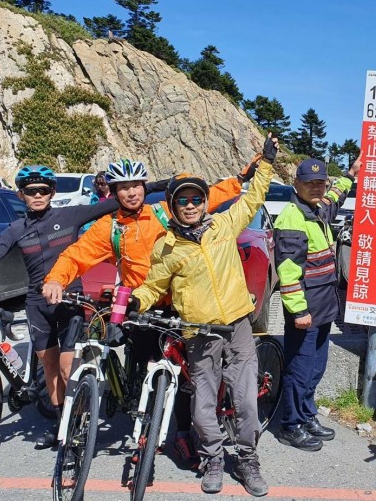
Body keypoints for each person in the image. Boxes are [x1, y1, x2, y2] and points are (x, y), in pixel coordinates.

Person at [43, 152, 261, 460]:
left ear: (145, 187)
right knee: (142, 368)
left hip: (182, 306)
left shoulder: (163, 212)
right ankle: (144, 427)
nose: (131, 192)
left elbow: (207, 198)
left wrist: (239, 181)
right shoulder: (109, 228)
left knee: (189, 378)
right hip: (140, 306)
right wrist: (56, 280)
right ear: (114, 192)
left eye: (136, 186)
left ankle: (183, 433)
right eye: (123, 187)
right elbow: (75, 255)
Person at [129, 135, 277, 496]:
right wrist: (135, 302)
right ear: (173, 206)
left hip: (237, 325)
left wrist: (267, 163)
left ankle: (246, 459)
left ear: (205, 202)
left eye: (197, 198)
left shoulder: (223, 226)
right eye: (184, 200)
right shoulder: (167, 246)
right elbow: (152, 285)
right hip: (198, 332)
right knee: (203, 406)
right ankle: (212, 459)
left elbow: (253, 197)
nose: (191, 205)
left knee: (244, 401)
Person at [0, 165, 130, 448]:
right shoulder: (15, 229)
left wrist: (158, 185)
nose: (37, 195)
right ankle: (63, 426)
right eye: (30, 191)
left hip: (68, 301)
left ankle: (78, 422)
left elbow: (119, 200)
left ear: (52, 192)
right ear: (21, 194)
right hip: (37, 305)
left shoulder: (69, 216)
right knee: (50, 370)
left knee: (66, 370)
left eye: (43, 190)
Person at [274, 154, 362, 451]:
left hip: (323, 306)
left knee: (315, 368)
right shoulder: (292, 217)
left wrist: (350, 175)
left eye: (320, 183)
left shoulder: (316, 209)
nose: (316, 187)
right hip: (306, 310)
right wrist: (298, 310)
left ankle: (307, 415)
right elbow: (287, 271)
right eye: (309, 182)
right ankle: (291, 424)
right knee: (299, 369)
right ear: (295, 183)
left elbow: (335, 198)